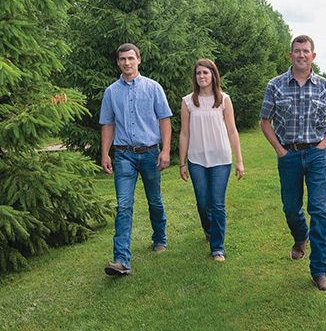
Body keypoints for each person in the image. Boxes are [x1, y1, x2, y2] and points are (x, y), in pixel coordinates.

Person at [260, 35, 326, 292]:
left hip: (316, 154)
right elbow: (265, 121)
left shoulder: (325, 87)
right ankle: (300, 238)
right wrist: (280, 150)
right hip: (290, 155)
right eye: (297, 51)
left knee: (319, 211)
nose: (301, 55)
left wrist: (324, 144)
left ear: (313, 56)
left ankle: (319, 271)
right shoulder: (275, 86)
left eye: (306, 51)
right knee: (291, 208)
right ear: (291, 55)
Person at [100, 43, 173, 276]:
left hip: (150, 153)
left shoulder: (153, 88)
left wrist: (165, 151)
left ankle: (160, 238)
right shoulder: (111, 92)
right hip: (123, 155)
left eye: (131, 58)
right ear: (118, 62)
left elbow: (164, 120)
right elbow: (108, 124)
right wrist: (105, 153)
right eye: (122, 59)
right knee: (124, 205)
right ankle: (121, 259)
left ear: (138, 60)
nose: (127, 63)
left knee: (154, 200)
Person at [178, 59, 245, 262]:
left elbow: (232, 131)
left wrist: (239, 161)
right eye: (198, 73)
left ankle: (217, 248)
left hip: (220, 158)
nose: (202, 77)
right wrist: (182, 163)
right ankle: (209, 229)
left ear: (213, 75)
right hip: (196, 159)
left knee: (217, 203)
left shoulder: (224, 100)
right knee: (202, 203)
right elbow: (184, 133)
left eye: (205, 73)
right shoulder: (188, 101)